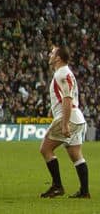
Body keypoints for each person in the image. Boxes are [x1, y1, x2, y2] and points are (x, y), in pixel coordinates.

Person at [39, 45, 90, 199]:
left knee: (45, 149)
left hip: (68, 118)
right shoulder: (66, 73)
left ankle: (57, 186)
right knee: (76, 154)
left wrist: (65, 123)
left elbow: (67, 99)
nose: (49, 54)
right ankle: (84, 191)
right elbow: (65, 98)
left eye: (52, 53)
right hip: (77, 117)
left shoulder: (61, 74)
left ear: (58, 58)